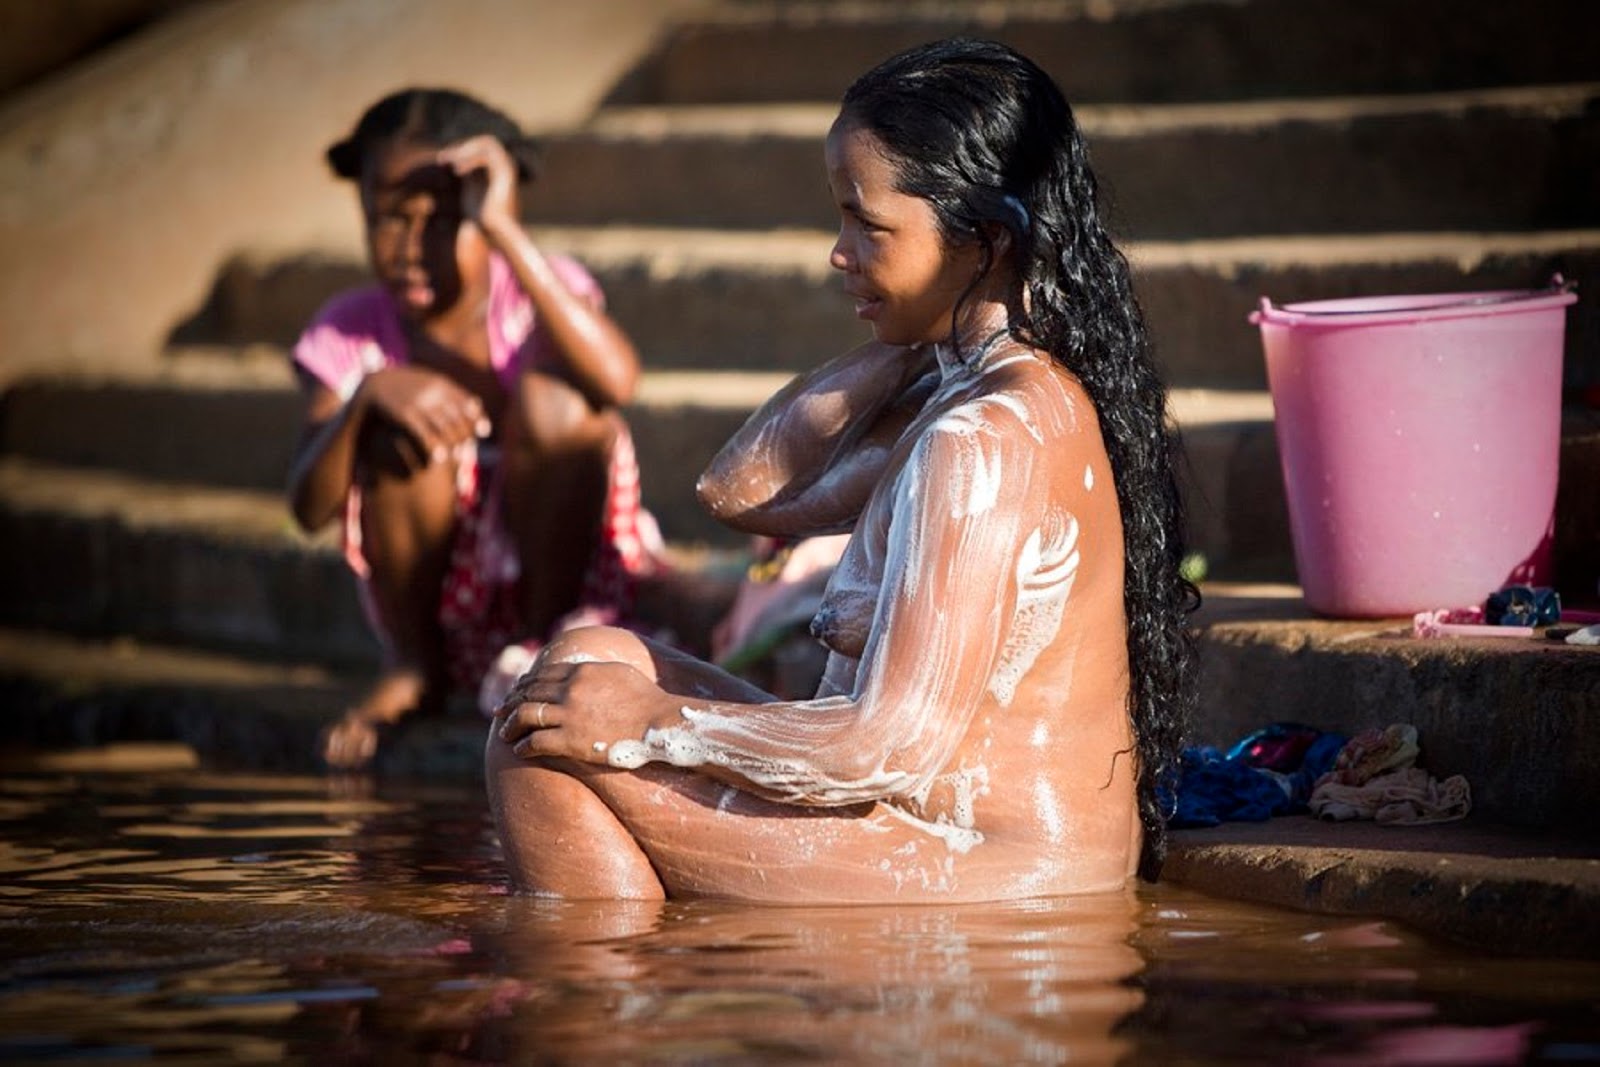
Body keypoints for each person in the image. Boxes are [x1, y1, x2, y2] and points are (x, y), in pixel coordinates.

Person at [486, 38, 1197, 901]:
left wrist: (654, 724)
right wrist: (923, 340)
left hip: (995, 873)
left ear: (982, 239)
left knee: (537, 731)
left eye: (869, 225)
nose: (839, 253)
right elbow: (740, 489)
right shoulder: (970, 389)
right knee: (583, 661)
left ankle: (612, 1004)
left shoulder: (983, 439)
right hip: (930, 826)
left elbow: (889, 745)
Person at [287, 88, 657, 769]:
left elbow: (617, 381)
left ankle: (536, 649)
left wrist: (506, 232)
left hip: (557, 601)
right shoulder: (349, 331)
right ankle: (413, 667)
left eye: (442, 220)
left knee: (558, 399)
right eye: (387, 219)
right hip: (436, 615)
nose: (408, 247)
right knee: (396, 428)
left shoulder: (536, 294)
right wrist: (367, 395)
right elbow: (308, 507)